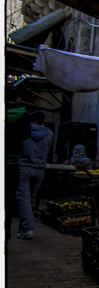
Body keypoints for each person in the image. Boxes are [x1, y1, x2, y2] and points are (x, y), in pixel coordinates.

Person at [15, 111, 53, 240]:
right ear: (43, 121)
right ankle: (24, 227)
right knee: (31, 198)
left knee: (23, 199)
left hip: (24, 167)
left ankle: (27, 229)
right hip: (40, 170)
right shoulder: (49, 134)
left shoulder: (24, 132)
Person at [5, 90, 31, 246]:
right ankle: (6, 236)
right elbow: (25, 136)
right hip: (12, 162)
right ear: (18, 98)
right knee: (9, 200)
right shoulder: (25, 115)